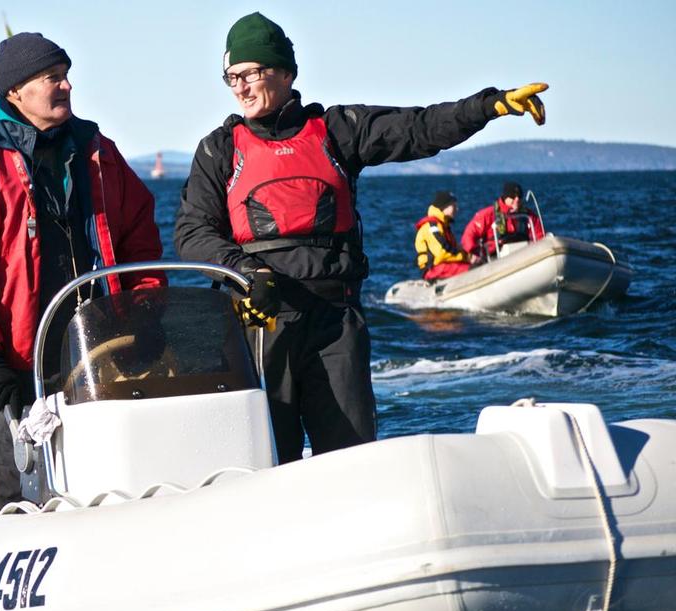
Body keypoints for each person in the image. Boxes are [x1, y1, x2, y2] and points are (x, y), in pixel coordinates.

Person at [174, 12, 548, 464]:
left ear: (286, 72)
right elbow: (192, 231)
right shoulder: (219, 148)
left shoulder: (337, 131)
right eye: (231, 77)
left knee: (351, 457)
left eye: (250, 73)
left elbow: (419, 129)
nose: (240, 87)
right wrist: (247, 271)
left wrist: (489, 106)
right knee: (269, 458)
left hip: (336, 322)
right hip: (262, 323)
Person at [0, 32, 165, 513]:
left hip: (98, 350)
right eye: (53, 77)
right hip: (11, 362)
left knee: (109, 475)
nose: (68, 86)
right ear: (15, 91)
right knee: (10, 482)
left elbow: (140, 237)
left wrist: (145, 311)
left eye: (67, 75)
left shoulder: (99, 154)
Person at [461, 181, 545, 262]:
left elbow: (539, 235)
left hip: (524, 254)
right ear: (505, 197)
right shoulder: (488, 215)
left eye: (519, 196)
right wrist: (474, 254)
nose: (517, 199)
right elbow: (469, 235)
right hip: (496, 258)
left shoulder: (529, 216)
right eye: (513, 196)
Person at [414, 190, 471, 281]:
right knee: (472, 269)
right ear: (444, 207)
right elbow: (442, 253)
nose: (457, 209)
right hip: (434, 269)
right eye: (454, 206)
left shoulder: (443, 226)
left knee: (477, 265)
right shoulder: (432, 227)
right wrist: (467, 257)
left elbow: (453, 248)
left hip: (446, 265)